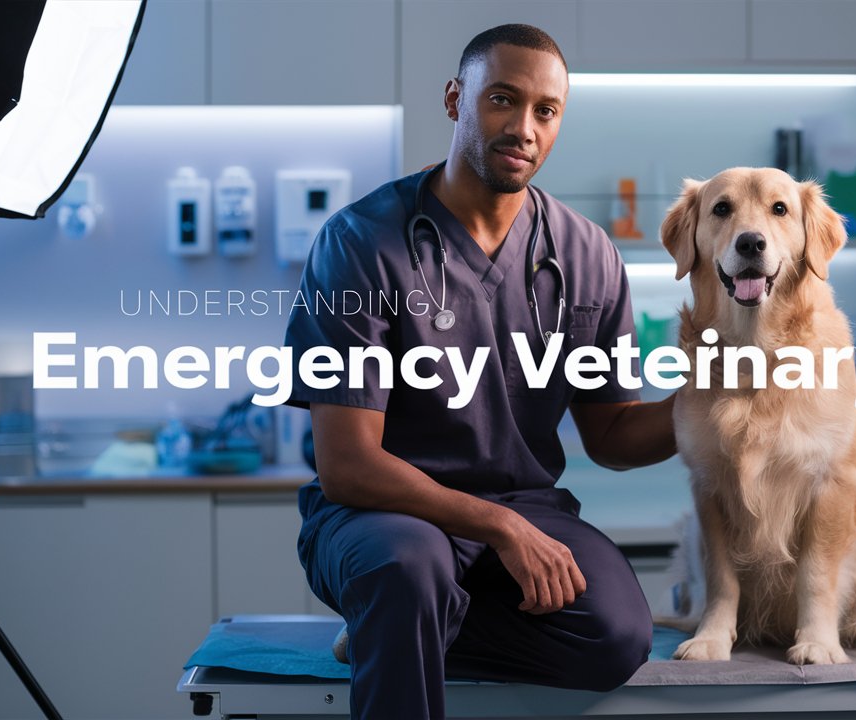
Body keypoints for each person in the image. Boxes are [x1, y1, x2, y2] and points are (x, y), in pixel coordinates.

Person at [282, 23, 678, 720]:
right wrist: (498, 525)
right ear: (455, 99)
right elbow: (346, 465)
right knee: (408, 571)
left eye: (545, 111)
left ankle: (391, 631)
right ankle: (398, 615)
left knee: (616, 636)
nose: (523, 127)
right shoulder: (361, 244)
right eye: (502, 99)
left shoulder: (586, 255)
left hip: (522, 509)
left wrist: (715, 399)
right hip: (381, 515)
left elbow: (612, 434)